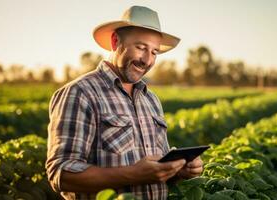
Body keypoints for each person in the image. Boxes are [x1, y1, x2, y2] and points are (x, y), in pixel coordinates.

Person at [46, 5, 203, 200]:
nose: (147, 60)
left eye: (154, 52)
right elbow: (61, 174)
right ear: (115, 41)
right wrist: (133, 174)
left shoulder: (151, 99)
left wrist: (179, 171)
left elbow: (155, 171)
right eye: (141, 47)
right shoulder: (80, 93)